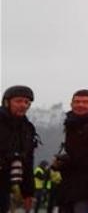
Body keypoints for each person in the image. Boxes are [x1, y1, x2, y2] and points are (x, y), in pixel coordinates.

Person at [0, 85, 38, 213]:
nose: (23, 105)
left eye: (27, 102)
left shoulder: (27, 129)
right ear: (6, 102)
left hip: (4, 186)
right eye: (18, 101)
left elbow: (27, 161)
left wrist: (28, 192)